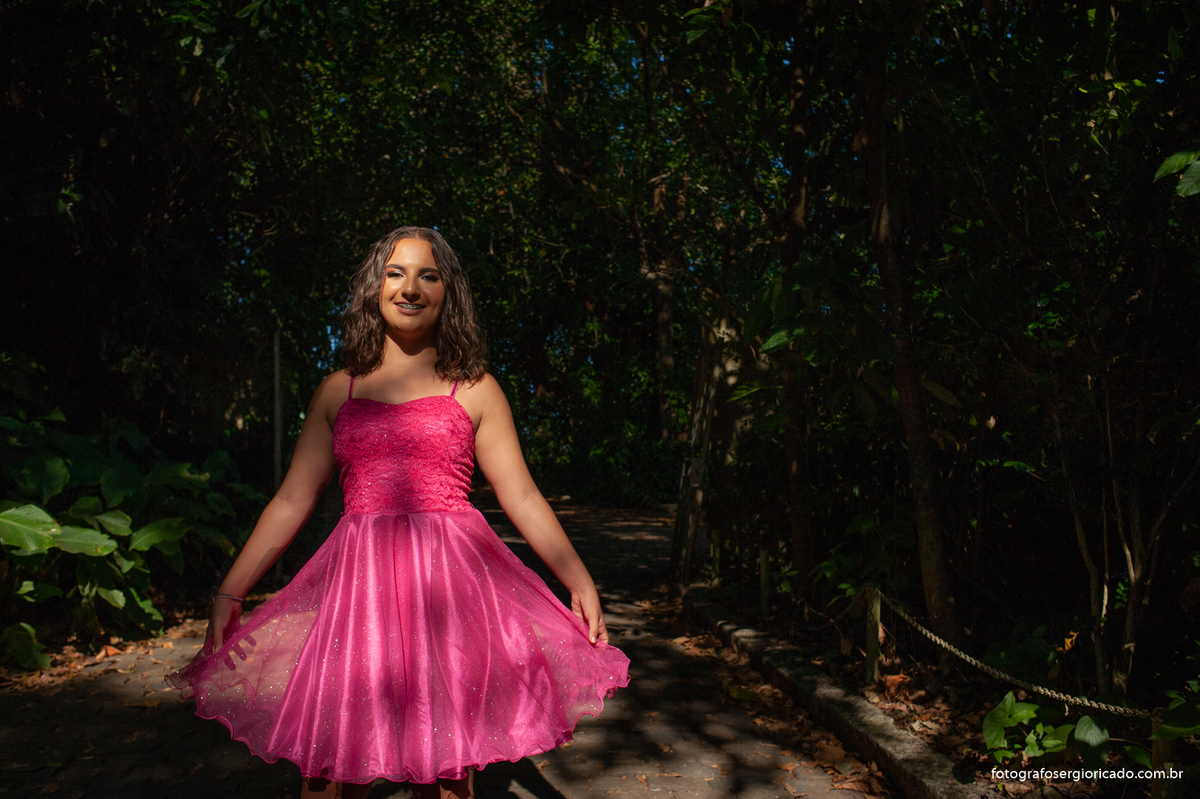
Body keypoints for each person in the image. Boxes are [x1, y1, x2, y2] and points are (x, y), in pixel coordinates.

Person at [167, 226, 630, 799]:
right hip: (356, 596)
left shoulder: (476, 388)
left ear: (447, 292)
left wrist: (578, 580)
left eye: (428, 275)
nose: (410, 287)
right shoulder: (339, 389)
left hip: (449, 596)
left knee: (445, 769)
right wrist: (230, 593)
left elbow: (524, 496)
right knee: (330, 767)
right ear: (375, 288)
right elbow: (291, 499)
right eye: (395, 272)